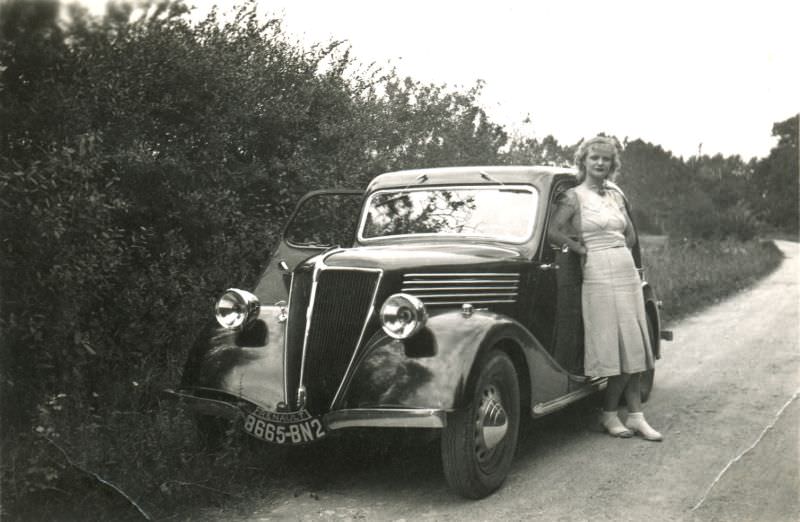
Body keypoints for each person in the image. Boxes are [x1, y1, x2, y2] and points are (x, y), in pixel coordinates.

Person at [548, 136, 662, 441]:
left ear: (613, 165)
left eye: (606, 160)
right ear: (583, 160)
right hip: (597, 273)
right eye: (594, 158)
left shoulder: (615, 196)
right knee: (612, 346)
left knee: (633, 343)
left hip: (624, 270)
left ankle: (636, 416)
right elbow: (553, 232)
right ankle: (609, 414)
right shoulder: (573, 197)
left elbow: (631, 237)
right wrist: (581, 248)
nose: (600, 164)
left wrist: (616, 250)